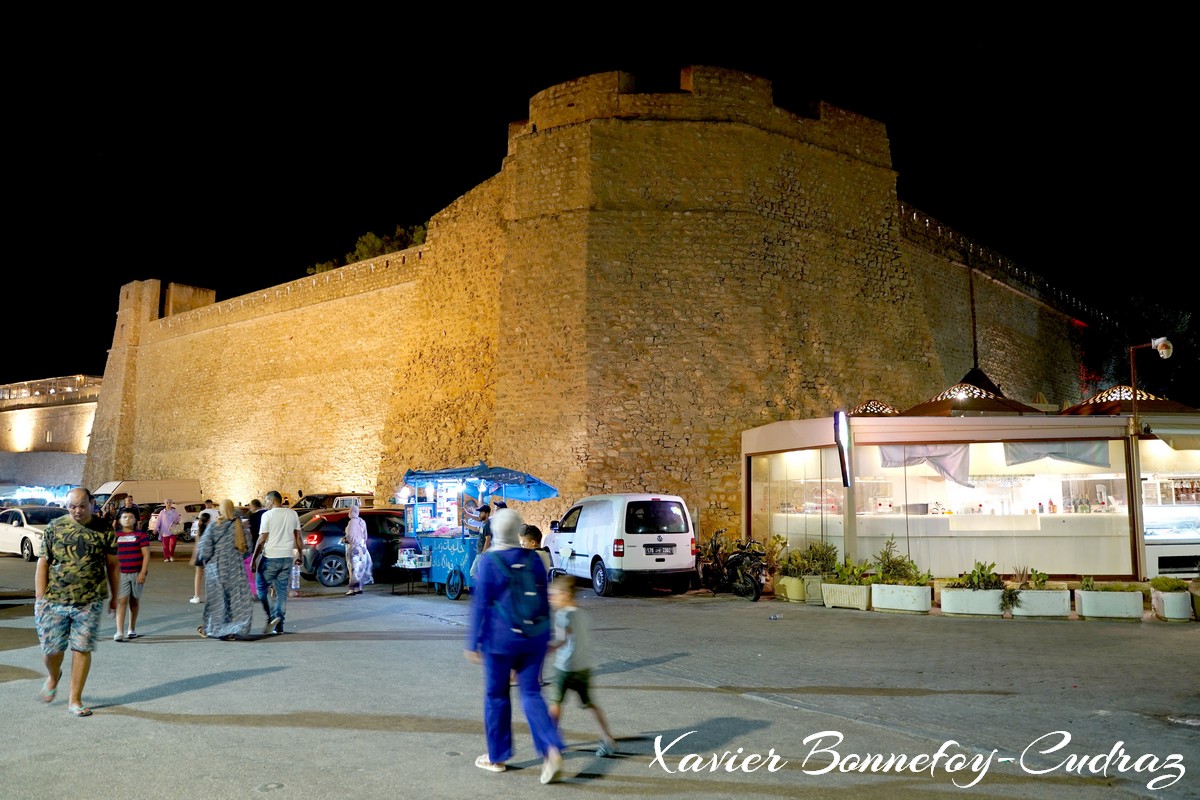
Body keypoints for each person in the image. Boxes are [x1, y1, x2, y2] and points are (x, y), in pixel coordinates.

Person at [464, 508, 564, 783]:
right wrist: (549, 636)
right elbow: (544, 599)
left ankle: (497, 756)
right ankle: (551, 749)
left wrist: (473, 642)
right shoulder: (534, 559)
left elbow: (481, 604)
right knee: (531, 693)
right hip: (534, 637)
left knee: (496, 697)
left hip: (500, 641)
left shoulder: (489, 561)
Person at [34, 488, 118, 717]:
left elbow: (112, 565)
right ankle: (53, 676)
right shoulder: (55, 527)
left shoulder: (103, 529)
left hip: (89, 600)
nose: (77, 511)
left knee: (81, 648)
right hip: (54, 599)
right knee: (51, 651)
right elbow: (43, 563)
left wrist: (114, 596)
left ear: (92, 503)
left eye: (82, 506)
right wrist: (39, 599)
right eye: (72, 507)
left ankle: (75, 699)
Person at [547, 574, 617, 756]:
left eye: (553, 595)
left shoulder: (563, 615)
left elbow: (561, 641)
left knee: (555, 705)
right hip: (583, 667)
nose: (551, 600)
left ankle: (551, 742)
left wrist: (545, 649)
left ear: (564, 594)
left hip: (565, 668)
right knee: (590, 704)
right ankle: (607, 738)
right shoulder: (583, 614)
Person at [196, 500, 254, 640]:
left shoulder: (214, 526)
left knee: (218, 601)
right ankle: (233, 629)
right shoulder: (241, 528)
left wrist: (206, 560)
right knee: (235, 601)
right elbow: (248, 550)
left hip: (217, 568)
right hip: (236, 569)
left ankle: (216, 629)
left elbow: (205, 549)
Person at [251, 490, 302, 635]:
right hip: (286, 558)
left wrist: (254, 559)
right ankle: (279, 625)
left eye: (266, 500)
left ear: (272, 500)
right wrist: (300, 555)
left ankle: (272, 616)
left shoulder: (268, 515)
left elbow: (261, 539)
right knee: (281, 592)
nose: (265, 503)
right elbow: (298, 537)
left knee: (261, 588)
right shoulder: (292, 514)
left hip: (271, 557)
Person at [113, 508, 150, 642]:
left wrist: (142, 572)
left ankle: (131, 628)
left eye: (130, 517)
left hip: (136, 573)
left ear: (135, 520)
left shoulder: (140, 535)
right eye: (124, 517)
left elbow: (146, 555)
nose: (127, 519)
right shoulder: (115, 536)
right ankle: (119, 631)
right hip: (121, 574)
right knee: (122, 600)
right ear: (119, 520)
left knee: (134, 600)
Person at [343, 503, 373, 596]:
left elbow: (351, 537)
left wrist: (345, 539)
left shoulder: (352, 523)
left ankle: (352, 589)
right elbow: (365, 535)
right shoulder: (362, 521)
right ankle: (359, 588)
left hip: (354, 549)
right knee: (360, 568)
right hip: (363, 548)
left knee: (353, 569)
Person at [188, 508, 217, 603]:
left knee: (198, 576)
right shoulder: (212, 529)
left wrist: (193, 557)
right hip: (210, 555)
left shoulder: (199, 531)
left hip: (200, 555)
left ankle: (196, 596)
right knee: (211, 577)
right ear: (209, 520)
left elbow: (196, 546)